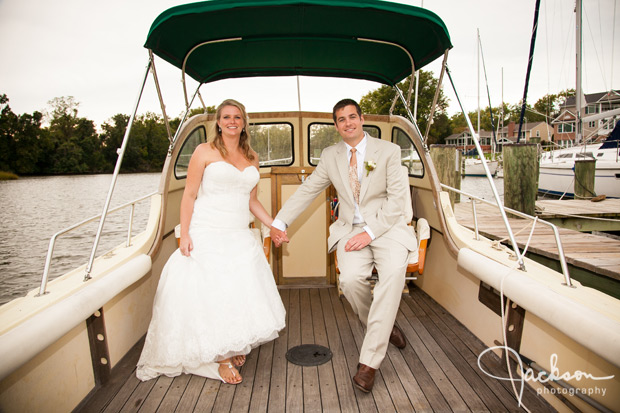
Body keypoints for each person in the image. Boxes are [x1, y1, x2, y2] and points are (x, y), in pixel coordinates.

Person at [270, 98, 417, 393]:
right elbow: (309, 188)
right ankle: (384, 326)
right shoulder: (330, 155)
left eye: (352, 117)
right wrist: (280, 221)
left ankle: (369, 363)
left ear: (362, 119)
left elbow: (396, 201)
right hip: (350, 229)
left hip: (386, 228)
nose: (348, 123)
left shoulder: (387, 151)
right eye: (341, 119)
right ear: (336, 125)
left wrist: (371, 233)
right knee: (349, 282)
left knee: (392, 275)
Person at [137, 99, 286, 385]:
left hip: (238, 233)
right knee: (215, 293)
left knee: (236, 292)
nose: (232, 121)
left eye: (238, 117)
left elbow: (252, 201)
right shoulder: (204, 151)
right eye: (227, 117)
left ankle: (230, 344)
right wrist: (187, 233)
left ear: (244, 122)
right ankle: (221, 360)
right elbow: (189, 195)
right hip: (207, 231)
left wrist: (274, 226)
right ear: (218, 122)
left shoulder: (252, 157)